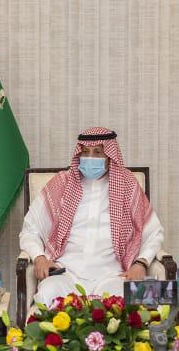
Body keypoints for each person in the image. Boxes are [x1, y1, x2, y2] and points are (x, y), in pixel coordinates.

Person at [20, 128, 164, 307]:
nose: (90, 157)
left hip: (113, 275)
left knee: (135, 301)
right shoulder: (61, 183)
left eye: (97, 152)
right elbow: (30, 229)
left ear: (109, 156)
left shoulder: (127, 185)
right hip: (66, 274)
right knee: (47, 294)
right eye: (85, 152)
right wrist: (39, 257)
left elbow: (154, 233)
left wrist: (141, 264)